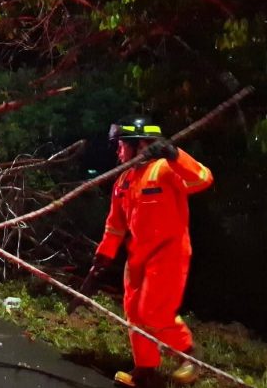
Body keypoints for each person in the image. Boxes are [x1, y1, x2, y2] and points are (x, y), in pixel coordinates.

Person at [91, 116, 213, 388]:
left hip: (169, 253)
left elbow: (203, 178)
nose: (118, 151)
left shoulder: (166, 169)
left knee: (153, 311)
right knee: (134, 312)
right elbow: (115, 225)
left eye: (122, 145)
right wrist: (104, 254)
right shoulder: (123, 180)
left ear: (141, 145)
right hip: (138, 255)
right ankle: (144, 371)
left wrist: (175, 155)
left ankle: (189, 354)